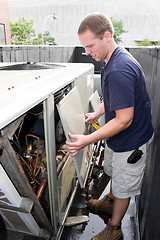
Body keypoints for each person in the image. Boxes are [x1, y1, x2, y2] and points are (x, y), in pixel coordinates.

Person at [66, 12, 154, 240]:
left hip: (131, 141)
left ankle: (114, 228)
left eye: (90, 45)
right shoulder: (109, 59)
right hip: (120, 139)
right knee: (115, 172)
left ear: (106, 36)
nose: (87, 52)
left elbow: (124, 119)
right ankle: (109, 202)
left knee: (125, 186)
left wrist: (86, 139)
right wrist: (96, 112)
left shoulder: (119, 69)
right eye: (84, 47)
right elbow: (113, 97)